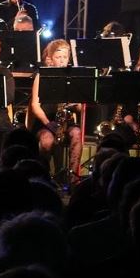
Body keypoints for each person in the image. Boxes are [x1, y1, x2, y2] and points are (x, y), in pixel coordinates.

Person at [30, 39, 83, 184]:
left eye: (65, 57)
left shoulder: (72, 77)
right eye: (58, 57)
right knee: (47, 141)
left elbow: (79, 109)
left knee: (77, 134)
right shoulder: (42, 76)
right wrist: (48, 123)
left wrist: (75, 103)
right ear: (51, 58)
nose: (62, 60)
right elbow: (35, 105)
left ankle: (73, 178)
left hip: (66, 121)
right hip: (46, 122)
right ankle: (44, 176)